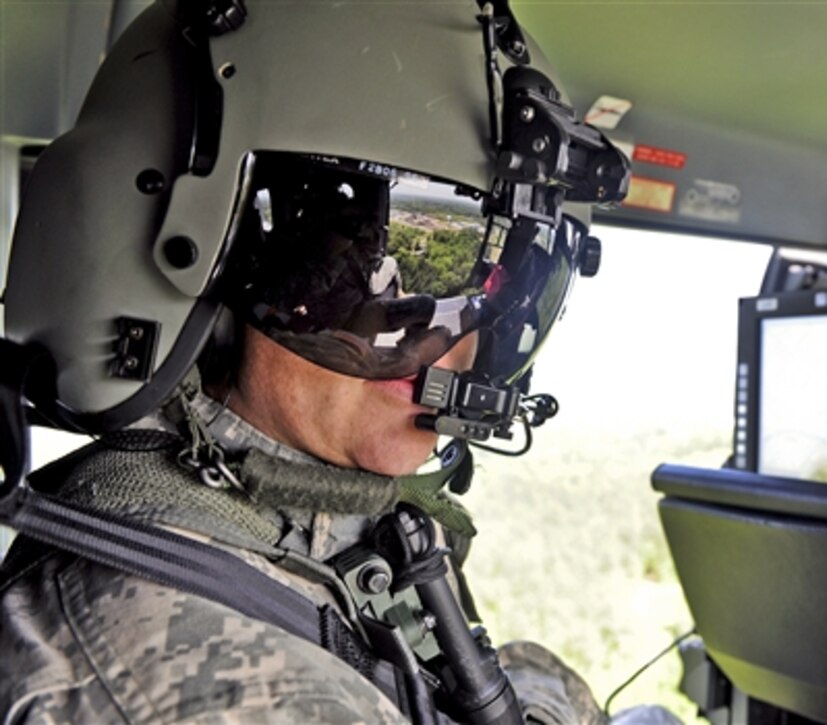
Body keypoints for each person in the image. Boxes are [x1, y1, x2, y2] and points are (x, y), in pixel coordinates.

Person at [0, 1, 651, 722]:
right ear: (193, 264)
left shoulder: (339, 539)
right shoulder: (199, 672)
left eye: (511, 281)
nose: (457, 343)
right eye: (376, 258)